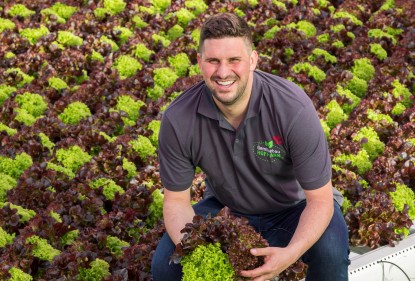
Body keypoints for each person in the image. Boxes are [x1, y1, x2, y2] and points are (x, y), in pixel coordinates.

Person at [151, 12, 350, 281]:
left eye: (234, 60)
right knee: (166, 267)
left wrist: (290, 253)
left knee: (329, 253)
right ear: (199, 62)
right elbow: (176, 202)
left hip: (295, 208)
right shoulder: (179, 118)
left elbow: (320, 200)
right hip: (227, 210)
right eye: (213, 61)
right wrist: (200, 253)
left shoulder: (292, 108)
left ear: (253, 60)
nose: (223, 72)